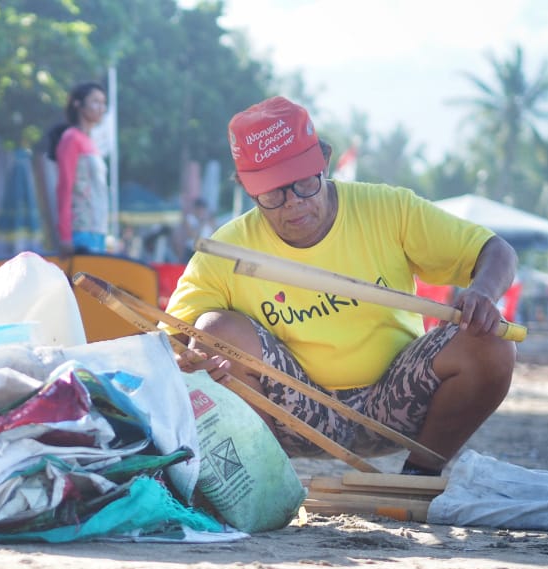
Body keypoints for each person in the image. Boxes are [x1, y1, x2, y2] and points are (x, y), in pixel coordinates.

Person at [166, 96, 518, 476]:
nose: (293, 205)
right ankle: (268, 477)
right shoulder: (227, 248)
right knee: (212, 332)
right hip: (292, 412)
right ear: (248, 190)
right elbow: (168, 337)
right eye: (272, 194)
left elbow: (496, 250)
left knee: (492, 338)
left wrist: (483, 292)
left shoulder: (388, 208)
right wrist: (188, 359)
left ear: (325, 161)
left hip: (396, 402)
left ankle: (421, 472)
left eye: (304, 183)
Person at [47, 81, 109, 256]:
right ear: (78, 105)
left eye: (103, 103)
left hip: (98, 230)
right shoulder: (71, 139)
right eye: (95, 102)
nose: (101, 108)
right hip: (80, 230)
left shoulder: (91, 143)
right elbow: (64, 188)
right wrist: (65, 235)